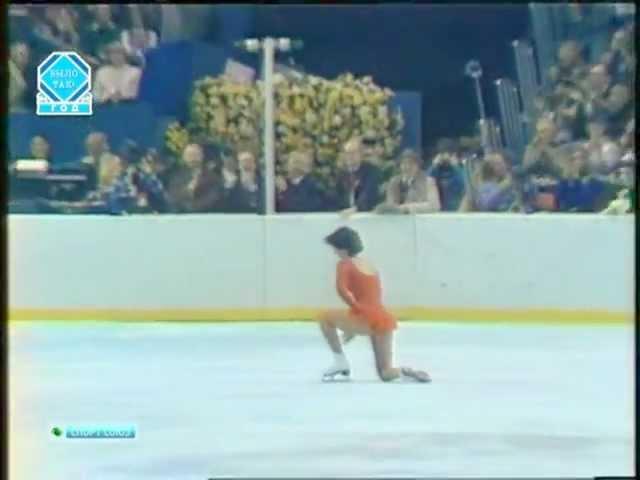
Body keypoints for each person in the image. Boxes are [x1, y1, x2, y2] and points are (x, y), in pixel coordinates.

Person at [318, 227, 431, 383]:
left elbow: (342, 290)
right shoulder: (368, 265)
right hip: (383, 317)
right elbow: (374, 294)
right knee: (385, 373)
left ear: (342, 248)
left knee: (325, 318)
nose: (334, 252)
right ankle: (406, 372)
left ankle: (340, 362)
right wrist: (353, 323)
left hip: (365, 316)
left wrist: (356, 311)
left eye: (335, 248)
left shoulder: (344, 264)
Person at [376, 149, 441, 214]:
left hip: (421, 221)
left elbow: (434, 206)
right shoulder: (393, 182)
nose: (407, 167)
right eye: (404, 163)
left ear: (418, 166)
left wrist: (406, 208)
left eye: (411, 163)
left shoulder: (428, 182)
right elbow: (391, 204)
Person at [335, 137, 383, 215]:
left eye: (353, 153)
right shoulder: (341, 174)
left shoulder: (372, 171)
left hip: (367, 216)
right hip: (344, 216)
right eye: (347, 153)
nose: (349, 156)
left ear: (361, 154)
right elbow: (336, 197)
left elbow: (368, 195)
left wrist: (355, 209)